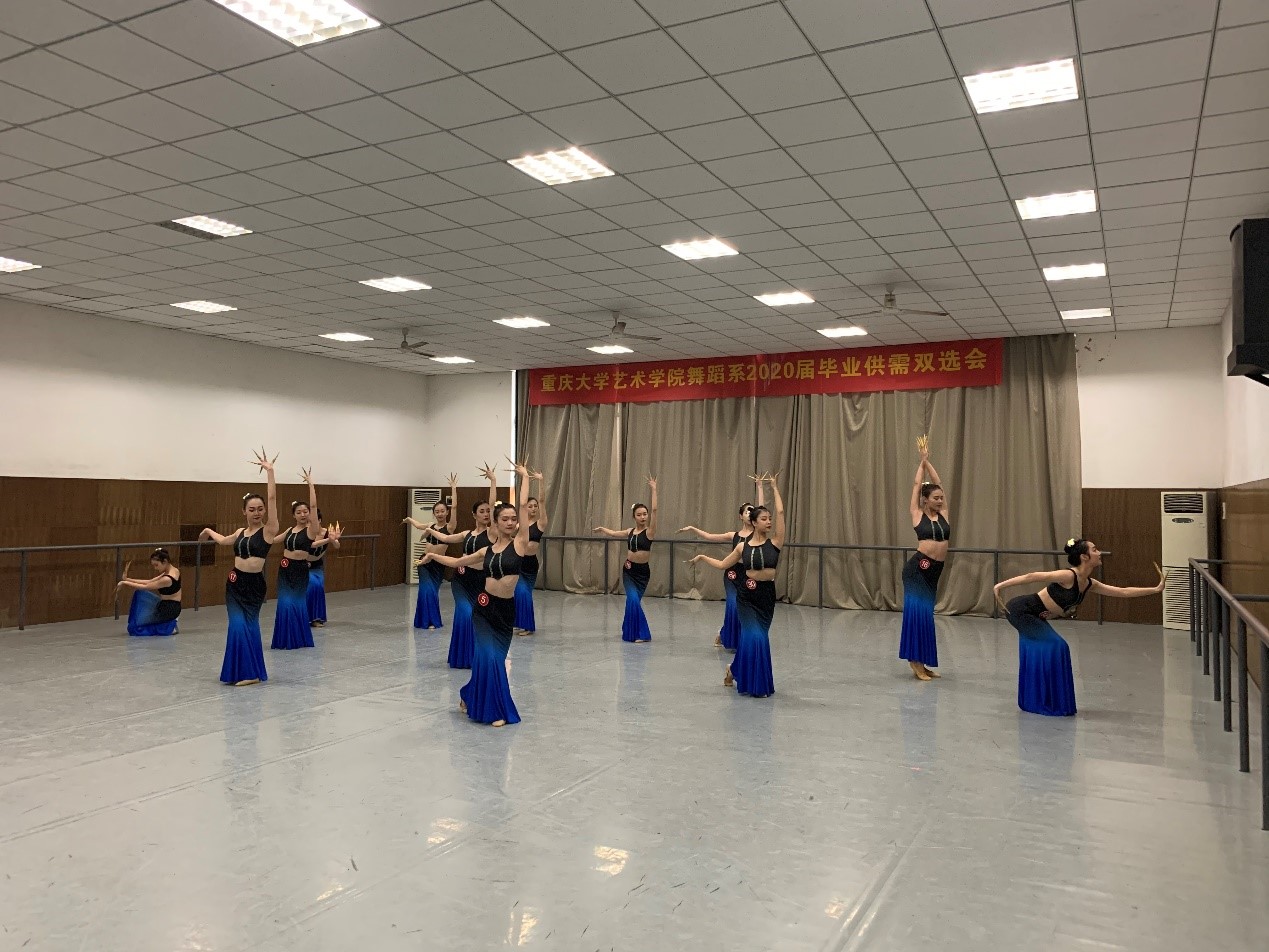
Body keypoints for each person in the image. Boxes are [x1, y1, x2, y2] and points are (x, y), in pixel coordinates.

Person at [418, 460, 534, 726]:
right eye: (505, 519)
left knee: (492, 658)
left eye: (513, 519)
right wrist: (432, 557)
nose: (511, 522)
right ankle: (496, 710)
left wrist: (525, 477)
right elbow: (457, 561)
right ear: (496, 522)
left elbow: (524, 505)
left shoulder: (520, 543)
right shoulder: (485, 551)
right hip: (483, 608)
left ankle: (469, 694)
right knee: (488, 658)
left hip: (505, 612)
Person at [994, 539, 1166, 716]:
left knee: (1048, 649)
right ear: (1084, 557)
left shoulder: (1089, 583)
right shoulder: (1068, 576)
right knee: (1058, 646)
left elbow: (1122, 591)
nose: (1099, 553)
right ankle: (1044, 701)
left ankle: (1038, 699)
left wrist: (1154, 589)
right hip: (1020, 611)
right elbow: (1033, 576)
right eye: (1095, 550)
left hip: (1035, 615)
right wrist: (1000, 586)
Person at [690, 474, 786, 698]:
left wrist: (774, 487)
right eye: (764, 519)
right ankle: (756, 685)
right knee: (756, 638)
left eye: (770, 519)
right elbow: (723, 564)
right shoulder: (743, 547)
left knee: (757, 638)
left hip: (766, 597)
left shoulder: (775, 542)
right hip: (747, 597)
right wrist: (703, 557)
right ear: (754, 522)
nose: (769, 522)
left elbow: (781, 513)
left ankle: (733, 670)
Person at [200, 449, 280, 686]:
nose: (257, 513)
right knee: (236, 626)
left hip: (253, 586)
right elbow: (224, 541)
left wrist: (270, 472)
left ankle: (252, 673)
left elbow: (273, 498)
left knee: (248, 625)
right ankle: (240, 671)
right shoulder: (239, 532)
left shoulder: (269, 531)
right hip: (234, 584)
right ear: (244, 511)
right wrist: (208, 531)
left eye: (260, 509)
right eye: (252, 509)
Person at [423, 465, 498, 669]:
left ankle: (473, 657)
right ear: (474, 515)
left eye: (488, 511)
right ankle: (462, 657)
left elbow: (493, 504)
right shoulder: (466, 534)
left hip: (480, 581)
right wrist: (430, 530)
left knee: (477, 617)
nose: (486, 514)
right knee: (464, 614)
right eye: (482, 511)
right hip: (461, 580)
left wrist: (493, 481)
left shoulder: (492, 533)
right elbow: (446, 538)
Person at [680, 475, 764, 649]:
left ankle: (725, 633)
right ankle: (730, 638)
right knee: (732, 605)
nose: (750, 513)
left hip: (749, 575)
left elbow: (762, 510)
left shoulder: (758, 534)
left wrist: (760, 487)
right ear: (741, 516)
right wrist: (693, 528)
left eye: (752, 511)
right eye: (747, 511)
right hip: (733, 573)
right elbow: (709, 536)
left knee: (745, 608)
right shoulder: (733, 535)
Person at [899, 435, 949, 682]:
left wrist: (929, 461)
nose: (939, 501)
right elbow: (917, 484)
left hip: (934, 573)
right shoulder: (917, 514)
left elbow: (938, 482)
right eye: (935, 498)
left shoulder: (944, 514)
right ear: (925, 500)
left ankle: (923, 662)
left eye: (941, 498)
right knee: (917, 616)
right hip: (917, 571)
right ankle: (915, 662)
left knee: (927, 617)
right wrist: (921, 463)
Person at [271, 468, 338, 650]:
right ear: (294, 515)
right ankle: (284, 638)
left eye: (305, 511)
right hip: (284, 569)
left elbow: (314, 507)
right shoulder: (289, 530)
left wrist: (311, 484)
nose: (303, 514)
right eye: (299, 512)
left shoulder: (311, 530)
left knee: (296, 603)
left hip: (299, 569)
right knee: (284, 603)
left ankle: (298, 638)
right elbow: (272, 540)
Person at [595, 475, 658, 643]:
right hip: (629, 571)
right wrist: (603, 529)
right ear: (634, 517)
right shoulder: (630, 531)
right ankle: (639, 633)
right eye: (639, 515)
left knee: (633, 602)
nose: (643, 517)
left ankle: (636, 632)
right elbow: (615, 533)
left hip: (642, 573)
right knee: (632, 600)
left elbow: (655, 510)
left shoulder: (650, 532)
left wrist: (653, 489)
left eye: (644, 514)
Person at [404, 474, 459, 630]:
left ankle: (431, 620)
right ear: (434, 513)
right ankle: (424, 621)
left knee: (432, 591)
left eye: (442, 511)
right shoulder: (430, 525)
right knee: (425, 590)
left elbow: (455, 507)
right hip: (424, 561)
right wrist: (409, 519)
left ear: (446, 512)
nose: (440, 514)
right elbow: (418, 525)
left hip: (438, 563)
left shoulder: (449, 528)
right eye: (437, 511)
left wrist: (453, 488)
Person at [118, 548, 182, 636]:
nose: (155, 568)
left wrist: (124, 583)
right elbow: (149, 581)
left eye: (156, 565)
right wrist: (127, 579)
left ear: (165, 561)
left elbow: (146, 586)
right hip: (168, 604)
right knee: (139, 594)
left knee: (137, 628)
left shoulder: (167, 579)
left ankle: (170, 625)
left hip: (169, 609)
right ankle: (168, 623)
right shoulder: (173, 570)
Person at [514, 470, 548, 636]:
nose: (534, 508)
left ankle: (528, 626)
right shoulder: (518, 524)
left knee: (524, 592)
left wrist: (540, 481)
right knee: (517, 592)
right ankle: (518, 621)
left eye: (535, 506)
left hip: (530, 564)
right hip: (517, 561)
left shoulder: (541, 523)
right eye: (530, 506)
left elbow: (542, 500)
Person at [306, 508, 339, 627]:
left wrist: (333, 540)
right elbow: (311, 545)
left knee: (319, 587)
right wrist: (327, 540)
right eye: (308, 522)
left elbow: (337, 545)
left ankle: (316, 618)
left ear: (319, 520)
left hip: (317, 565)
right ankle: (304, 618)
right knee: (310, 587)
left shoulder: (326, 532)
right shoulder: (305, 533)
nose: (309, 524)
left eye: (312, 521)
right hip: (303, 564)